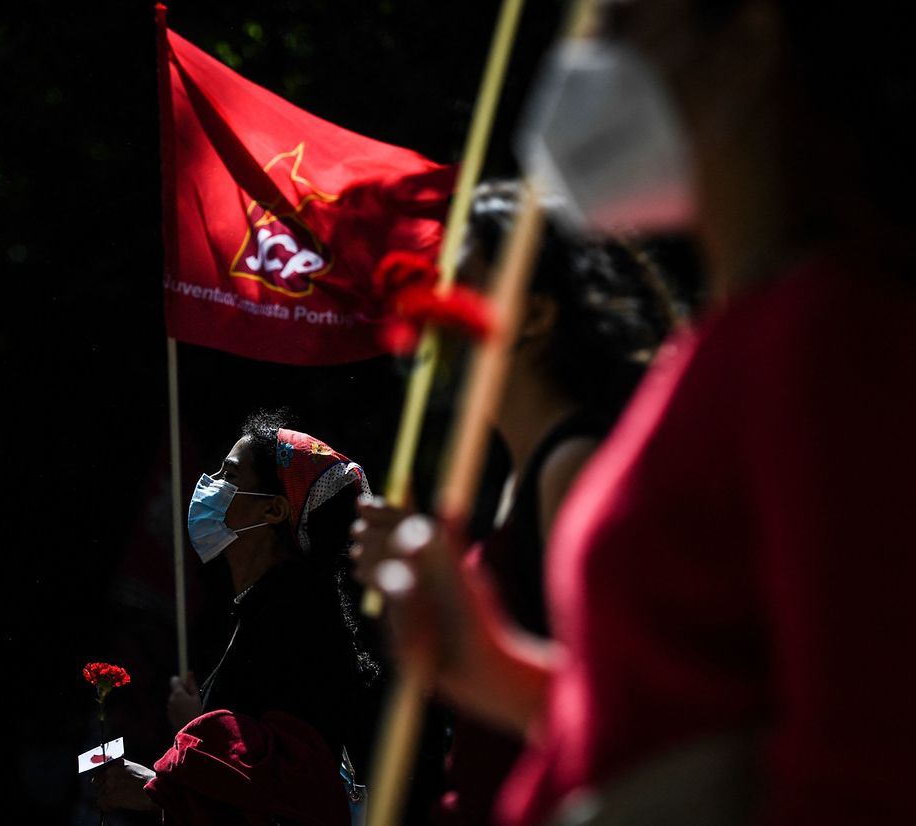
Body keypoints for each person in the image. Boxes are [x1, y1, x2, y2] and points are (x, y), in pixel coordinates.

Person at [354, 1, 916, 824]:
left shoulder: (830, 332)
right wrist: (497, 669)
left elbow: (866, 763)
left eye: (621, 21)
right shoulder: (721, 345)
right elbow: (672, 726)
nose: (584, 57)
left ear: (750, 41)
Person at [428, 178, 677, 825]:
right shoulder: (517, 476)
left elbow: (622, 704)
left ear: (535, 316)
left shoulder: (573, 469)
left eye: (463, 282)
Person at [97, 409, 379, 823]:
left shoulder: (296, 625)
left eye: (228, 476)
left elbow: (283, 784)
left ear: (273, 511)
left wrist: (190, 735)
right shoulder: (265, 608)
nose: (209, 486)